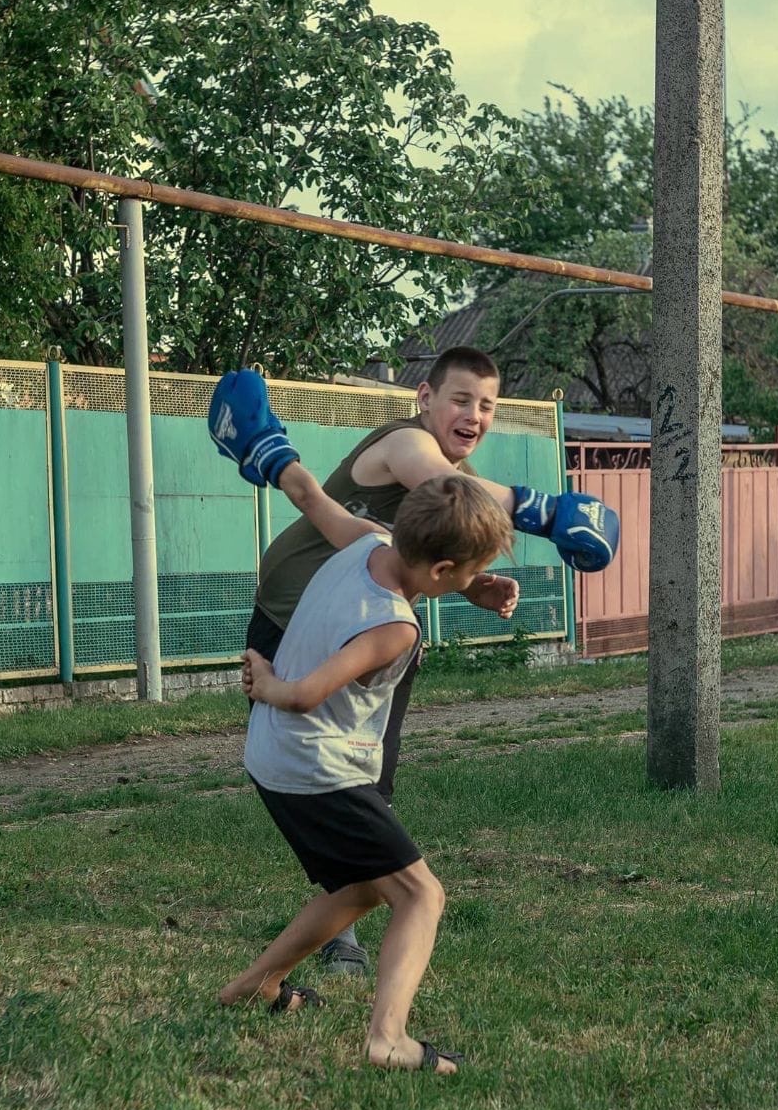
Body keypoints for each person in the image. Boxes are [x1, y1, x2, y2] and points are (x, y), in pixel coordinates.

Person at [228, 347, 619, 974]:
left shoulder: (408, 528)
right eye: (460, 398)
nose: (474, 414)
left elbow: (408, 544)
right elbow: (446, 490)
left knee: (360, 774)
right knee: (334, 781)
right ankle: (346, 921)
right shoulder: (407, 445)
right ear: (425, 399)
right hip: (301, 620)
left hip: (358, 626)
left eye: (487, 404)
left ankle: (340, 913)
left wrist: (471, 584)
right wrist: (549, 511)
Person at [211, 368, 517, 1072]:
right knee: (421, 895)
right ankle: (388, 1040)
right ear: (443, 571)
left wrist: (270, 445)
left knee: (361, 888)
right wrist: (270, 683)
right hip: (313, 767)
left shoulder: (362, 540)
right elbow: (311, 692)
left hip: (280, 761)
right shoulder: (397, 627)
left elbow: (309, 492)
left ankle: (250, 987)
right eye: (465, 574)